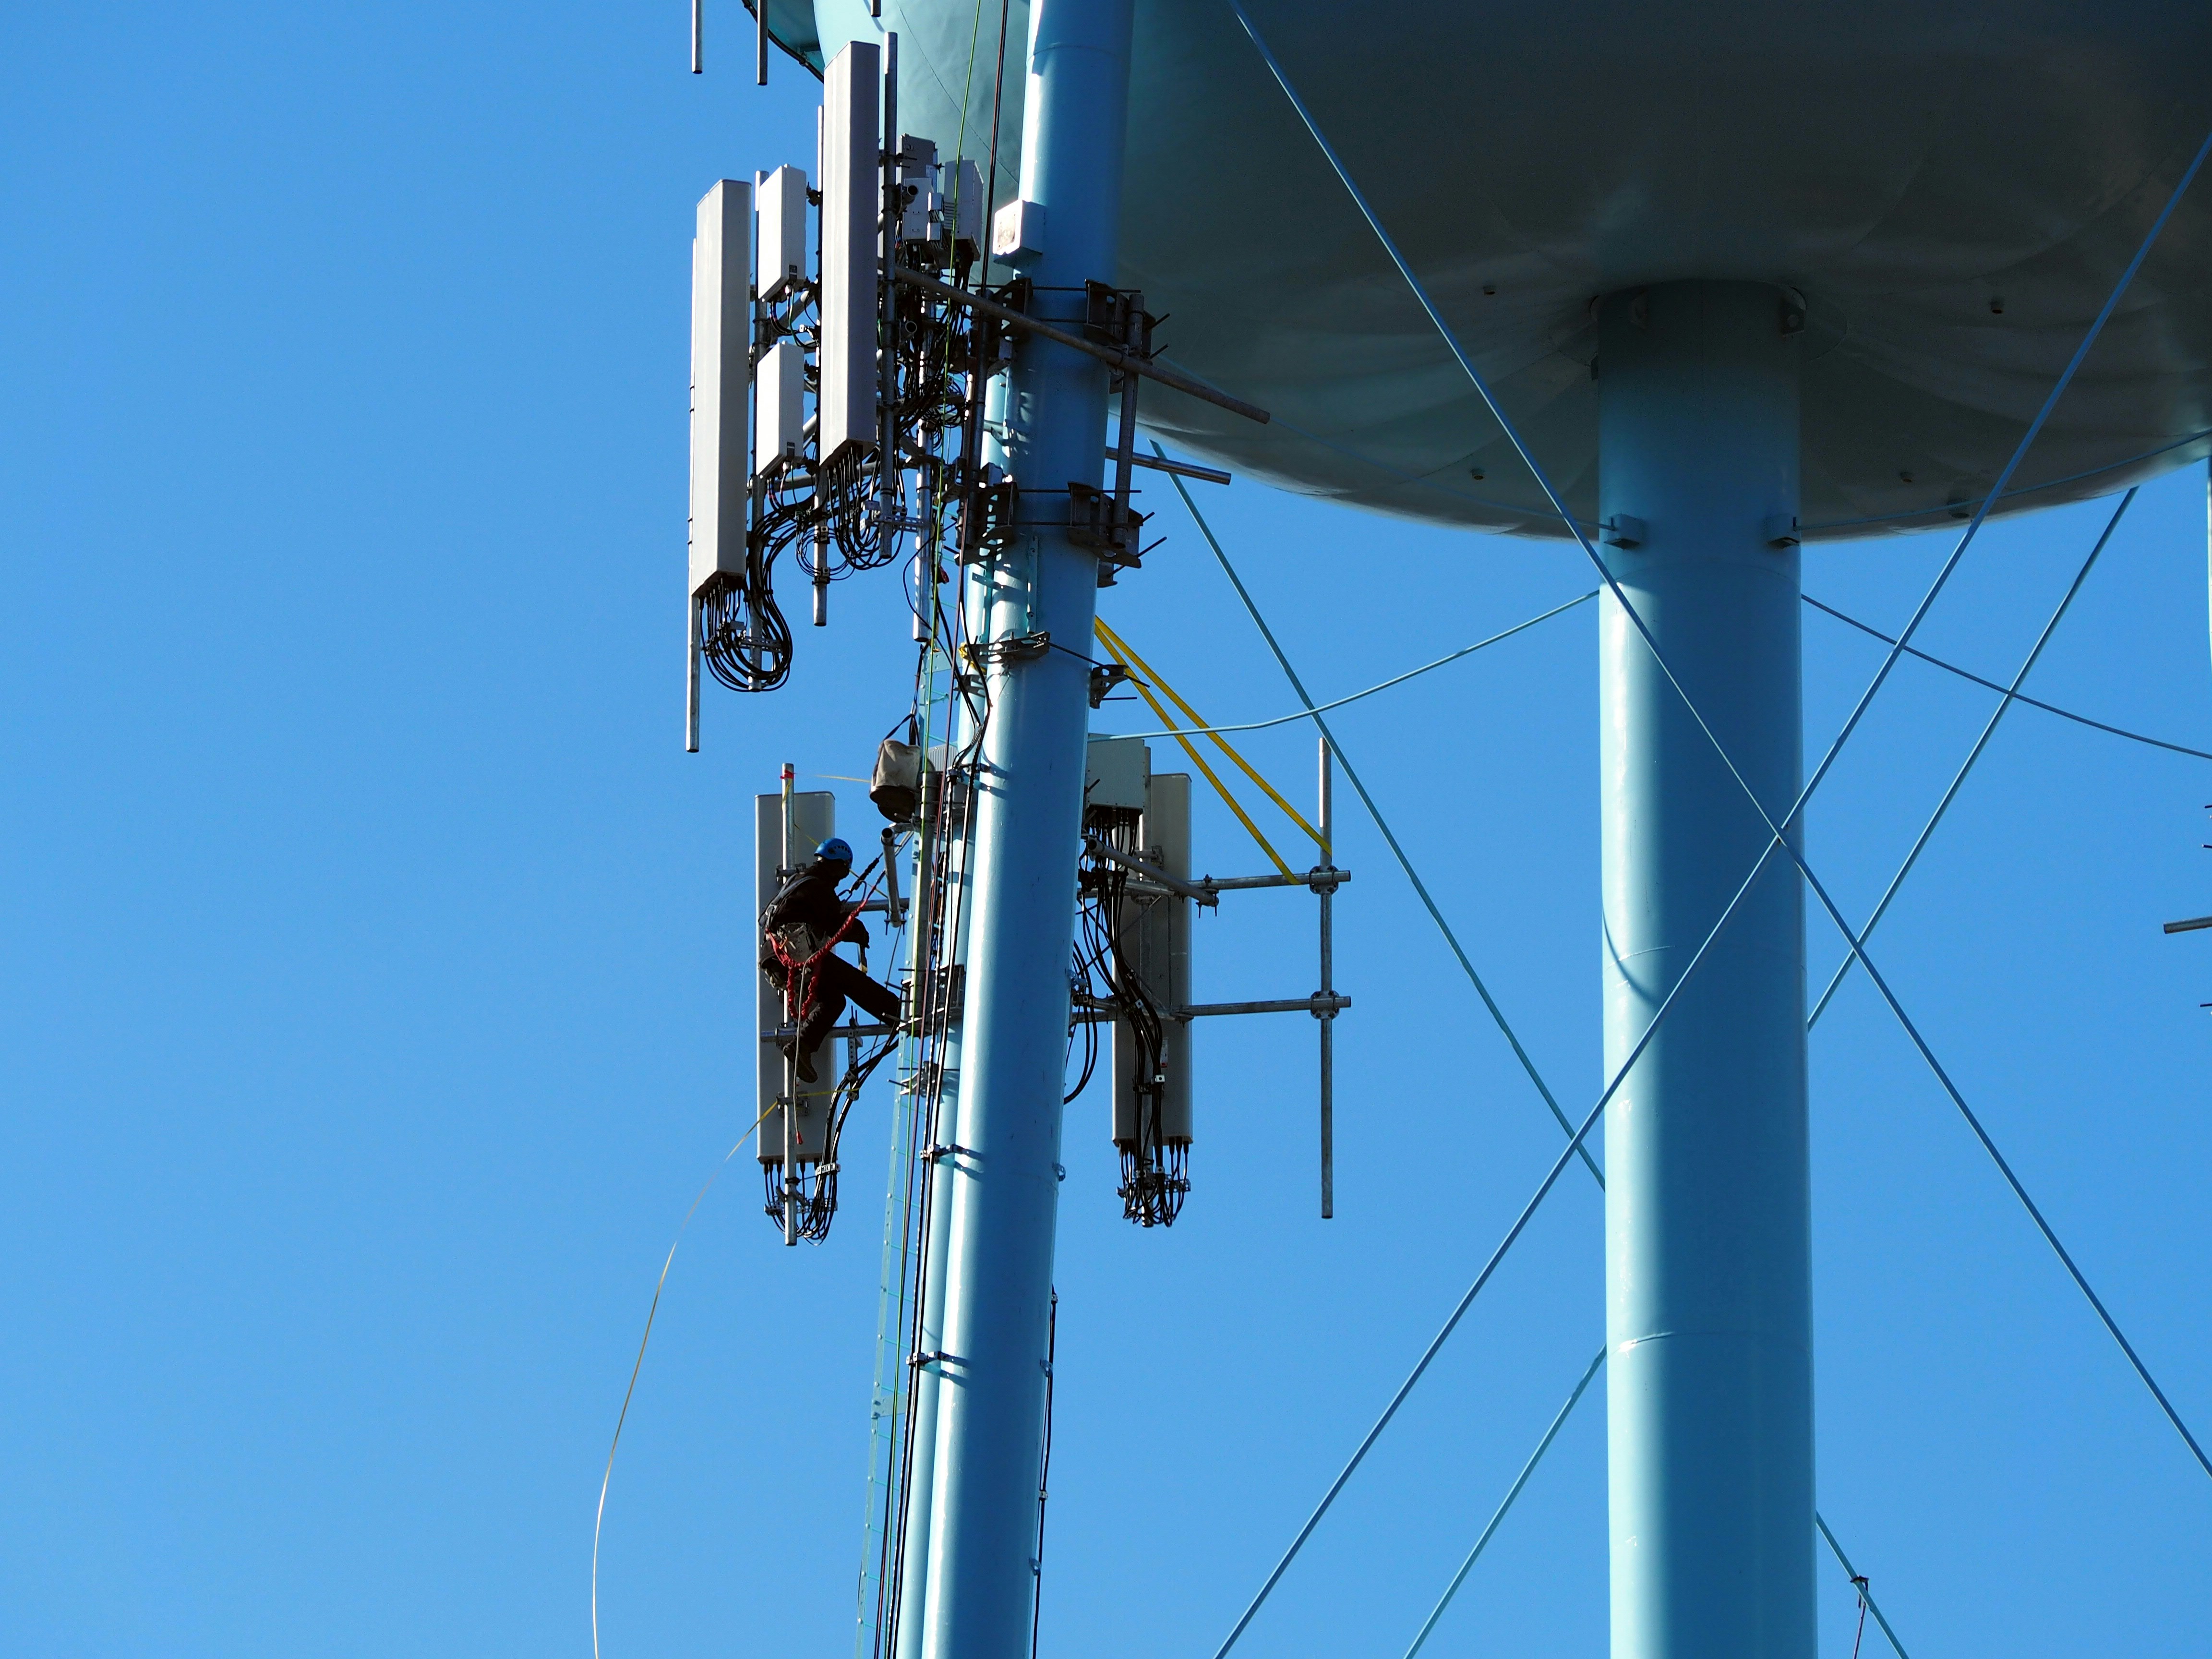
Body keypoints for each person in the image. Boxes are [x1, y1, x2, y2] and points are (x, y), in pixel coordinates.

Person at [761, 837, 902, 1082]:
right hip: (796, 954)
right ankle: (898, 1012)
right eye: (842, 872)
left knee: (833, 1001)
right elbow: (837, 923)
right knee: (852, 981)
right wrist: (859, 932)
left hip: (776, 961)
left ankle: (801, 1046)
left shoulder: (798, 883)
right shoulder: (818, 887)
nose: (840, 880)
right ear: (838, 865)